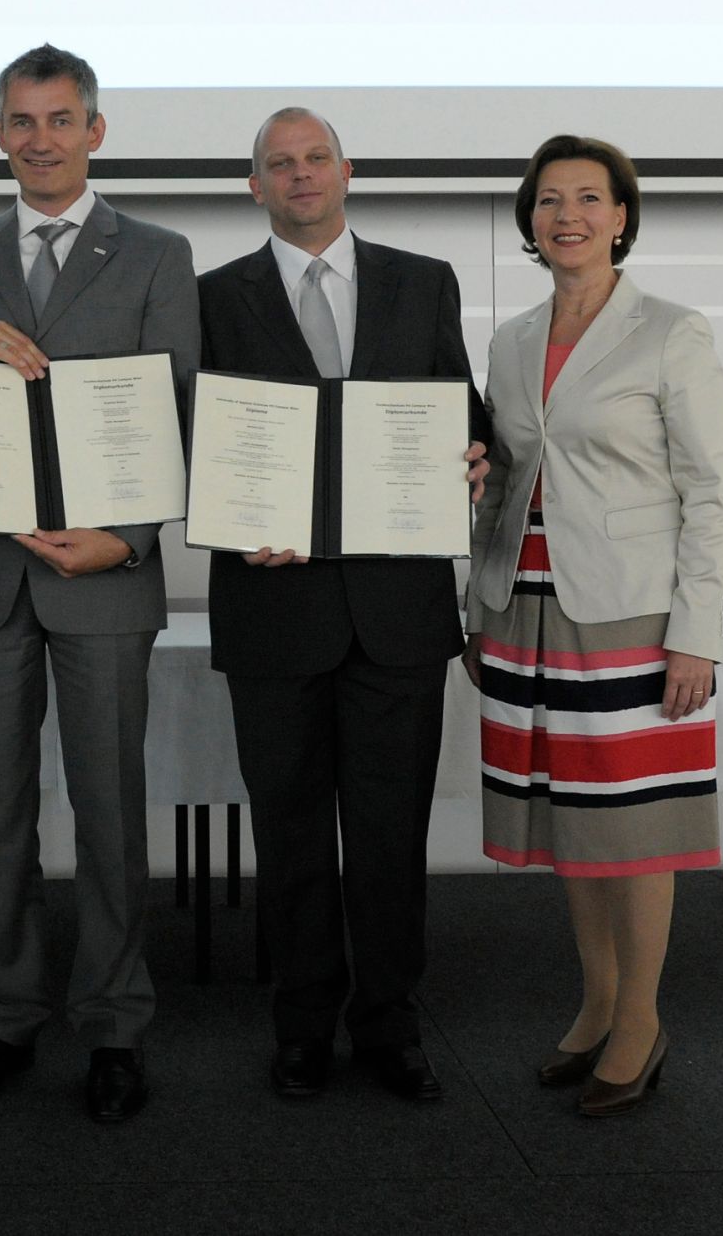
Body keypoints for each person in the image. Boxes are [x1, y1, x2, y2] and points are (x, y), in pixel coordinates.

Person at [0, 43, 199, 1122]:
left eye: (60, 119)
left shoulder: (157, 253)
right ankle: (5, 1016)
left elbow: (181, 409)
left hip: (106, 576)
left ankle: (114, 1025)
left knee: (109, 811)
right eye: (22, 121)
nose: (41, 140)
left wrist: (125, 540)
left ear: (95, 131)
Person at [197, 108, 489, 1102]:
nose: (300, 174)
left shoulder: (424, 281)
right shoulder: (209, 298)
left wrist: (473, 450)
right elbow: (190, 436)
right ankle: (301, 1025)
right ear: (255, 187)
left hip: (397, 609)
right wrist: (229, 512)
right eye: (279, 164)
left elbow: (458, 406)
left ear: (346, 169)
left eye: (315, 157)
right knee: (287, 836)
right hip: (270, 606)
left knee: (388, 836)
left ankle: (389, 1023)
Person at [463, 135, 723, 1117]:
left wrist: (695, 633)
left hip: (631, 613)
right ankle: (598, 1002)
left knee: (633, 825)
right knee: (569, 817)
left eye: (586, 198)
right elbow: (501, 483)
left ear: (621, 216)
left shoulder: (672, 332)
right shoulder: (511, 339)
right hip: (525, 607)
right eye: (547, 200)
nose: (565, 216)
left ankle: (641, 1021)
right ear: (528, 220)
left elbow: (709, 492)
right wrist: (476, 608)